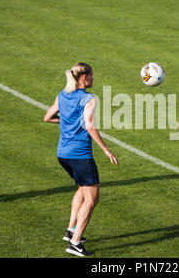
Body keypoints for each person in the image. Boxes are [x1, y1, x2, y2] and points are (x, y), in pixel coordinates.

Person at [44, 62, 118, 257]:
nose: (93, 79)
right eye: (91, 76)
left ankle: (70, 230)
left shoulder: (62, 94)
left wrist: (66, 121)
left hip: (63, 154)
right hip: (80, 155)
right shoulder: (88, 99)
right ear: (84, 77)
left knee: (81, 189)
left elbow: (48, 117)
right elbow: (90, 127)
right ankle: (75, 242)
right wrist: (106, 150)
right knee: (92, 198)